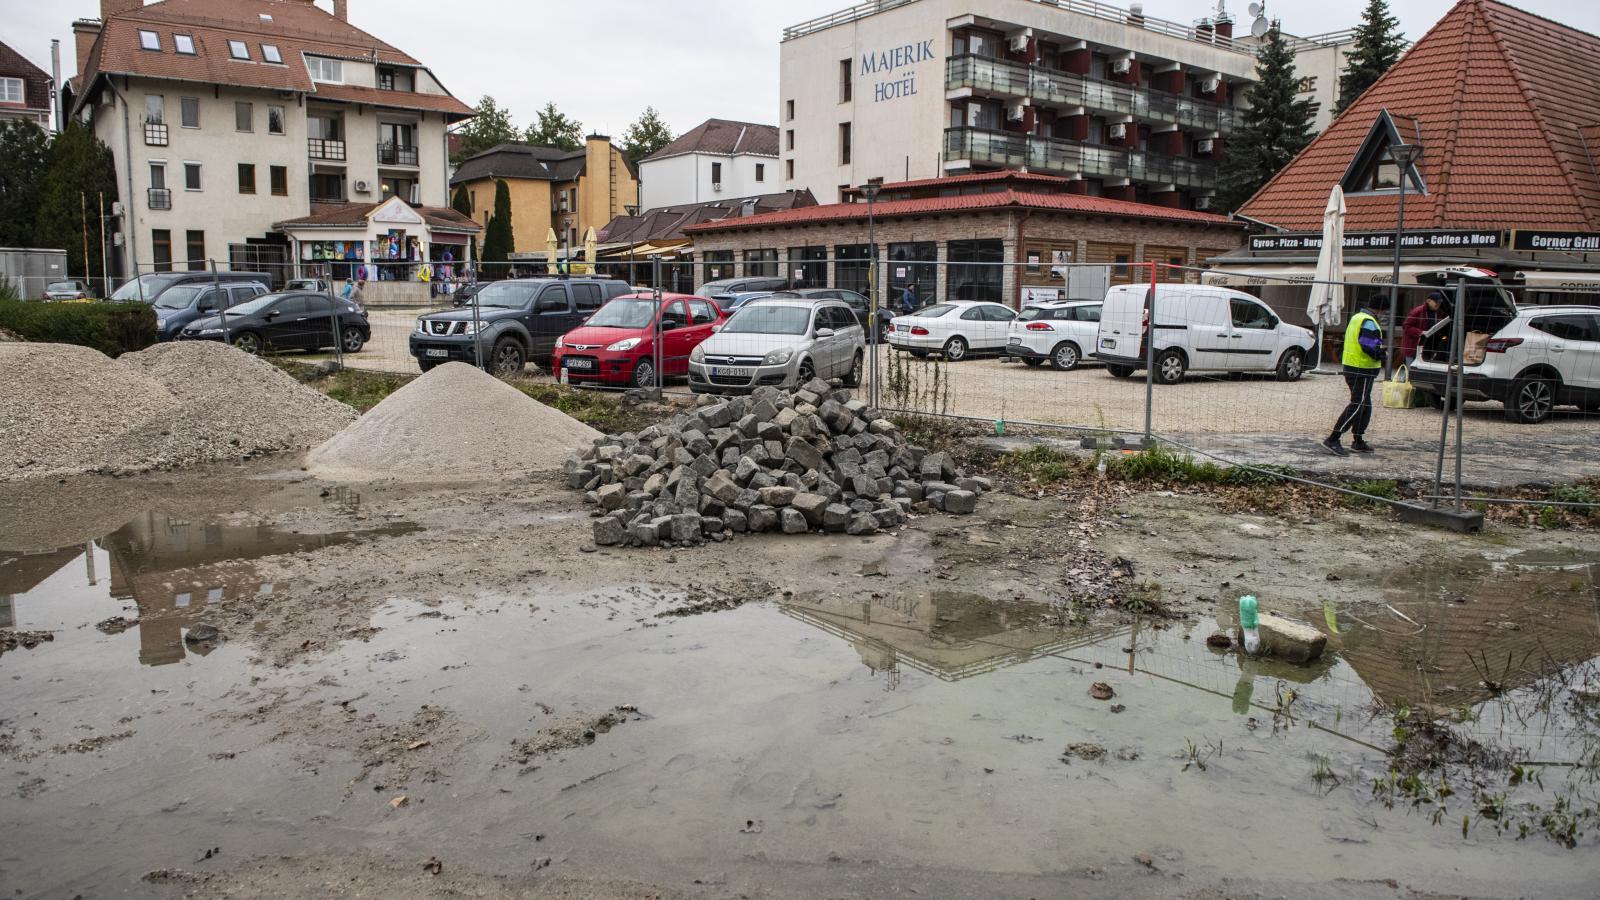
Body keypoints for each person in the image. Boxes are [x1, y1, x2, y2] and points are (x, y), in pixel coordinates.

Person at [1323, 307, 1384, 456]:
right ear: (1381, 309)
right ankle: (1333, 438)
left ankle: (1358, 440)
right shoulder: (1369, 322)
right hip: (1361, 369)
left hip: (1353, 366)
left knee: (1365, 404)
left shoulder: (1357, 317)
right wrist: (1382, 354)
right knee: (1358, 404)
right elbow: (1368, 345)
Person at [1400, 291, 1446, 363]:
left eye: (1440, 302)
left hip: (1427, 347)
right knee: (1411, 370)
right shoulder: (1418, 311)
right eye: (1436, 302)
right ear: (1428, 301)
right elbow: (1406, 326)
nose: (1438, 304)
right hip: (1413, 346)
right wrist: (1420, 332)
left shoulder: (1439, 313)